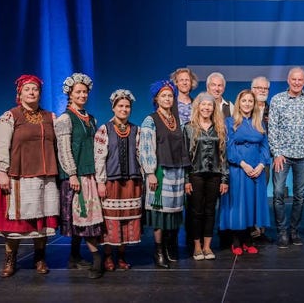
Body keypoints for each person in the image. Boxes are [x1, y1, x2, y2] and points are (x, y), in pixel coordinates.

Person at [0, 74, 59, 277]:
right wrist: (2, 172)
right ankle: (10, 259)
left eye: (35, 89)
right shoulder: (10, 116)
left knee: (42, 222)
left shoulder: (50, 117)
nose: (31, 92)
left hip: (45, 176)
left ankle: (40, 257)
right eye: (27, 89)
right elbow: (0, 145)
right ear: (19, 93)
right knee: (15, 223)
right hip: (18, 176)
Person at [55, 73, 105, 279]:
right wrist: (72, 174)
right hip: (76, 176)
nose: (82, 95)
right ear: (70, 94)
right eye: (78, 92)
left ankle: (74, 255)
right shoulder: (65, 119)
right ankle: (97, 259)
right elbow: (64, 149)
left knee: (81, 218)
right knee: (84, 216)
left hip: (90, 173)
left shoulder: (90, 118)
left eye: (85, 92)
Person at [139, 80, 191, 267]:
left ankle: (170, 247)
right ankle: (158, 251)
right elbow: (146, 148)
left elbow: (183, 147)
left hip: (176, 171)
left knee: (173, 213)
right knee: (160, 214)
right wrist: (150, 172)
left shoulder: (177, 120)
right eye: (164, 95)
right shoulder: (150, 120)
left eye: (170, 95)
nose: (167, 98)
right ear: (156, 98)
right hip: (160, 171)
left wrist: (185, 175)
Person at [94, 89, 143, 272]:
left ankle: (121, 256)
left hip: (131, 182)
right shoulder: (104, 130)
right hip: (112, 182)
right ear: (113, 108)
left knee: (126, 220)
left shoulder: (136, 130)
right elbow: (99, 158)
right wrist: (100, 181)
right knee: (110, 222)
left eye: (127, 106)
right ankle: (108, 256)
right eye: (120, 106)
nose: (124, 109)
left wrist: (143, 177)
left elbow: (139, 156)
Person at [220, 90, 271, 255]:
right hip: (238, 169)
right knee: (238, 204)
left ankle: (249, 240)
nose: (247, 104)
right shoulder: (230, 122)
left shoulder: (259, 123)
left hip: (257, 170)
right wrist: (243, 164)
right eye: (244, 101)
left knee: (253, 204)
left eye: (250, 101)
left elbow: (265, 146)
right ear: (239, 103)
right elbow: (229, 147)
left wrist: (262, 165)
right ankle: (236, 241)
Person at [268, 67, 304, 248]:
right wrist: (276, 153)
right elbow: (272, 128)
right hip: (283, 155)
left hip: (303, 154)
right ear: (288, 80)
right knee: (278, 192)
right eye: (294, 79)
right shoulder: (277, 100)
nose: (297, 82)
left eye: (300, 79)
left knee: (300, 196)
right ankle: (282, 231)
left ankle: (294, 230)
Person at [184, 92, 229, 260]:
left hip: (215, 175)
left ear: (213, 108)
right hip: (195, 175)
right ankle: (196, 247)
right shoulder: (189, 127)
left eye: (209, 105)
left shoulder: (220, 127)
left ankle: (207, 246)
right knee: (196, 212)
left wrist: (224, 179)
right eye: (203, 104)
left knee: (210, 211)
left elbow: (223, 154)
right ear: (198, 106)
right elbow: (185, 156)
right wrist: (186, 180)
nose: (206, 107)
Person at [250, 76, 271, 239]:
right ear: (252, 90)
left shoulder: (273, 109)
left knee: (261, 193)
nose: (262, 91)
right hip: (247, 159)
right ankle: (248, 227)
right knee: (247, 194)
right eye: (259, 88)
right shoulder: (245, 108)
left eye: (265, 89)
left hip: (265, 159)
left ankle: (260, 228)